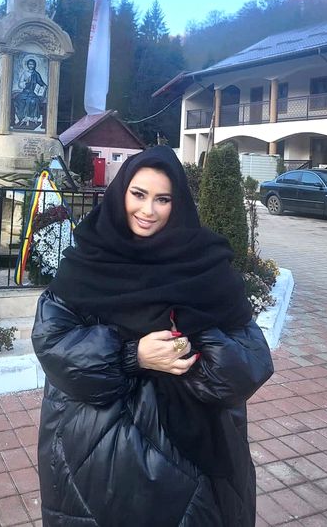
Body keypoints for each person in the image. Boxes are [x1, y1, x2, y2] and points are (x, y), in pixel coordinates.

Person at [31, 145, 274, 527]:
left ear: (178, 204)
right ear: (120, 193)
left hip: (197, 464)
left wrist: (191, 340)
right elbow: (53, 343)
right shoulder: (88, 261)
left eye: (163, 199)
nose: (148, 210)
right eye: (139, 194)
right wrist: (132, 356)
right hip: (98, 461)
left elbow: (251, 361)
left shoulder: (207, 267)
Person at [13, 57, 47, 127]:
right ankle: (22, 118)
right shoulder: (25, 73)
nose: (31, 66)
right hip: (25, 91)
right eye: (29, 64)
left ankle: (31, 119)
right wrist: (25, 83)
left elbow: (40, 82)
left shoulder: (36, 74)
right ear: (27, 65)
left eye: (32, 64)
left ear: (35, 65)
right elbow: (20, 84)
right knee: (19, 99)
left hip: (33, 93)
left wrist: (44, 86)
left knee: (33, 101)